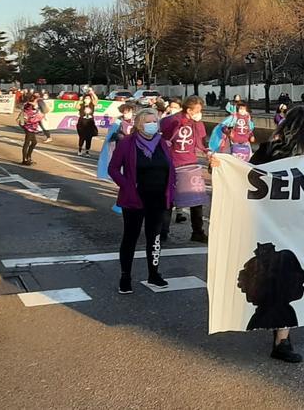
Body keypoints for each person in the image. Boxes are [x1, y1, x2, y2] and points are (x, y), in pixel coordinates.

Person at [251, 104, 304, 363]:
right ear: (302, 127)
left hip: (300, 222)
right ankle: (280, 339)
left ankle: (283, 337)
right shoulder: (271, 150)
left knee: (291, 276)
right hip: (274, 223)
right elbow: (248, 176)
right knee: (280, 277)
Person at [107, 107, 176, 294]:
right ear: (139, 124)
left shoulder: (162, 144)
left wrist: (171, 191)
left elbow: (170, 169)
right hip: (135, 199)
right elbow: (113, 169)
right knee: (130, 237)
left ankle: (154, 274)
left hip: (159, 198)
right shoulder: (127, 144)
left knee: (154, 237)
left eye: (155, 121)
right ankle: (125, 276)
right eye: (148, 121)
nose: (153, 124)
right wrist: (128, 185)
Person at [160, 96, 209, 243]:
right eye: (197, 110)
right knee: (169, 199)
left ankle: (198, 231)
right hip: (173, 165)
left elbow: (202, 141)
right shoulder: (173, 120)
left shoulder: (197, 123)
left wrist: (208, 152)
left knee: (196, 200)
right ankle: (162, 232)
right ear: (189, 110)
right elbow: (161, 132)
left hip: (191, 164)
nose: (199, 113)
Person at [17, 96, 43, 166]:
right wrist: (34, 105)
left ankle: (28, 157)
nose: (37, 102)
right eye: (36, 100)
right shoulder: (29, 105)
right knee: (27, 143)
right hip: (28, 126)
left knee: (34, 142)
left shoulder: (32, 106)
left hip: (32, 126)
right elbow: (28, 113)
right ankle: (25, 159)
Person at [76, 91, 99, 156]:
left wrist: (92, 93)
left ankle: (87, 151)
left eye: (88, 98)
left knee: (89, 138)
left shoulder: (92, 104)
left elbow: (96, 100)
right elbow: (76, 107)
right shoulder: (81, 104)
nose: (87, 100)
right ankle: (80, 149)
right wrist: (79, 100)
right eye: (86, 98)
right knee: (82, 137)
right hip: (82, 122)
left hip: (90, 122)